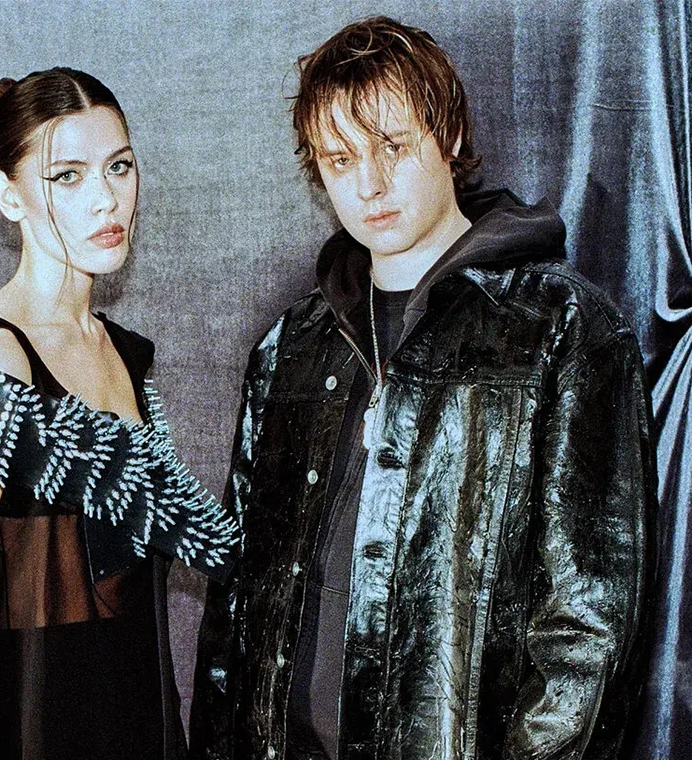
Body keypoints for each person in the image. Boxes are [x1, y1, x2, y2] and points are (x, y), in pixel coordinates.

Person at [190, 17, 655, 760]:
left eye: (393, 147)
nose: (368, 184)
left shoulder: (562, 329)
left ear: (449, 135)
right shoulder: (290, 346)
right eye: (340, 158)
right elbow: (236, 600)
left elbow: (587, 633)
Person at [0, 68, 239, 760]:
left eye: (119, 166)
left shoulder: (122, 353)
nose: (106, 198)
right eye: (67, 177)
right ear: (9, 195)